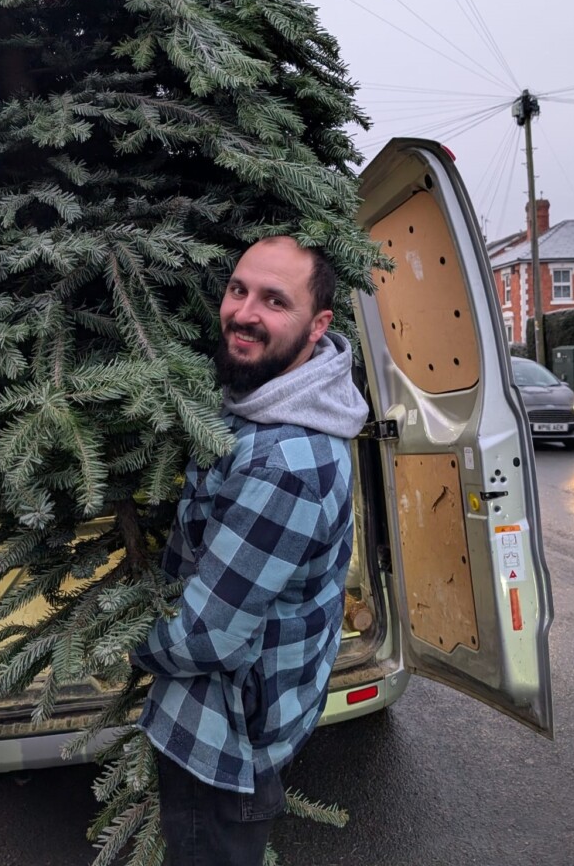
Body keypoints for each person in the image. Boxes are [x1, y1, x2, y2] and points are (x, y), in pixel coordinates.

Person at [132, 236, 369, 866]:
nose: (244, 313)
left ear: (318, 326)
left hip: (223, 739)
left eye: (273, 300)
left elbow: (209, 638)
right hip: (258, 705)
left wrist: (120, 644)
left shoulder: (284, 464)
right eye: (238, 290)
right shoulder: (263, 399)